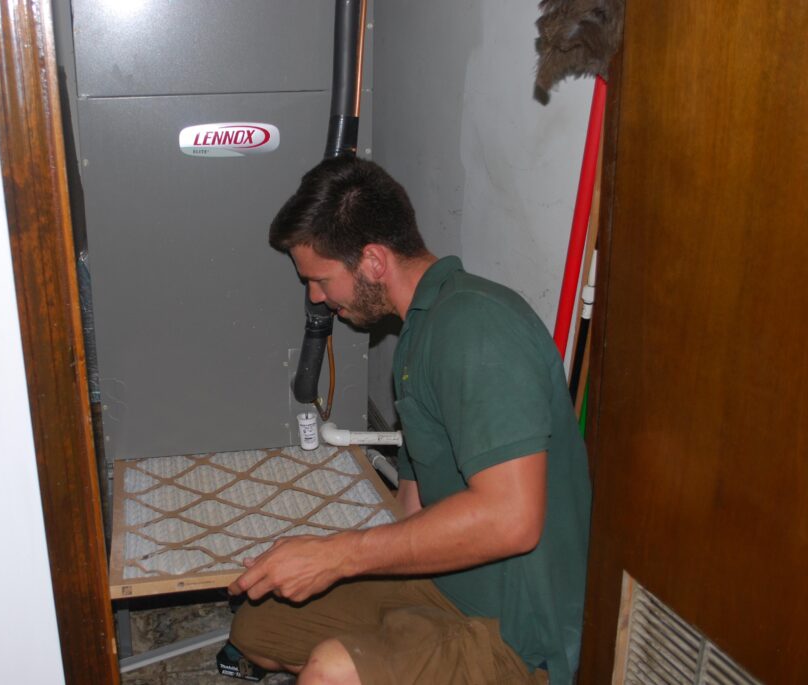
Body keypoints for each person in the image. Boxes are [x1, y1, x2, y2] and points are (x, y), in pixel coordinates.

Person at [228, 157, 591, 685]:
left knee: (330, 671)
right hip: (442, 584)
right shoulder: (416, 334)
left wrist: (342, 557)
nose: (315, 298)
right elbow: (413, 505)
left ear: (373, 261)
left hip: (515, 630)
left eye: (320, 279)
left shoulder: (477, 329)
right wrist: (318, 552)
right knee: (259, 627)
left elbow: (513, 519)